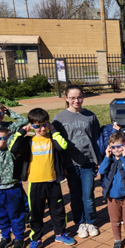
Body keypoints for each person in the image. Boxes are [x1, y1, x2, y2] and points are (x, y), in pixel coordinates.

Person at [10, 108, 76, 248]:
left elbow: (63, 146)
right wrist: (21, 132)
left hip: (52, 182)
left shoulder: (52, 138)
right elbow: (13, 149)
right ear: (30, 125)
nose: (42, 129)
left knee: (58, 210)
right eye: (37, 126)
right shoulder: (28, 140)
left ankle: (60, 233)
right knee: (36, 213)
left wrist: (53, 130)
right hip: (35, 183)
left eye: (45, 124)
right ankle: (36, 239)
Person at [52, 85, 101, 238]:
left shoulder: (90, 116)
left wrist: (97, 160)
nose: (76, 100)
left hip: (87, 161)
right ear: (66, 98)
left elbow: (96, 139)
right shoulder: (59, 119)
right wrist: (61, 166)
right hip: (70, 164)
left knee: (88, 194)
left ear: (83, 97)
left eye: (79, 97)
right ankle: (79, 222)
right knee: (75, 194)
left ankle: (90, 221)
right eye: (72, 98)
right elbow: (56, 144)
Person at [98, 132, 125, 248]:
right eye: (113, 147)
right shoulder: (108, 160)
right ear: (109, 148)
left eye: (119, 146)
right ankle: (117, 240)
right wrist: (106, 156)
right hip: (112, 197)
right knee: (115, 220)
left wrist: (124, 156)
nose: (116, 149)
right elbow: (101, 170)